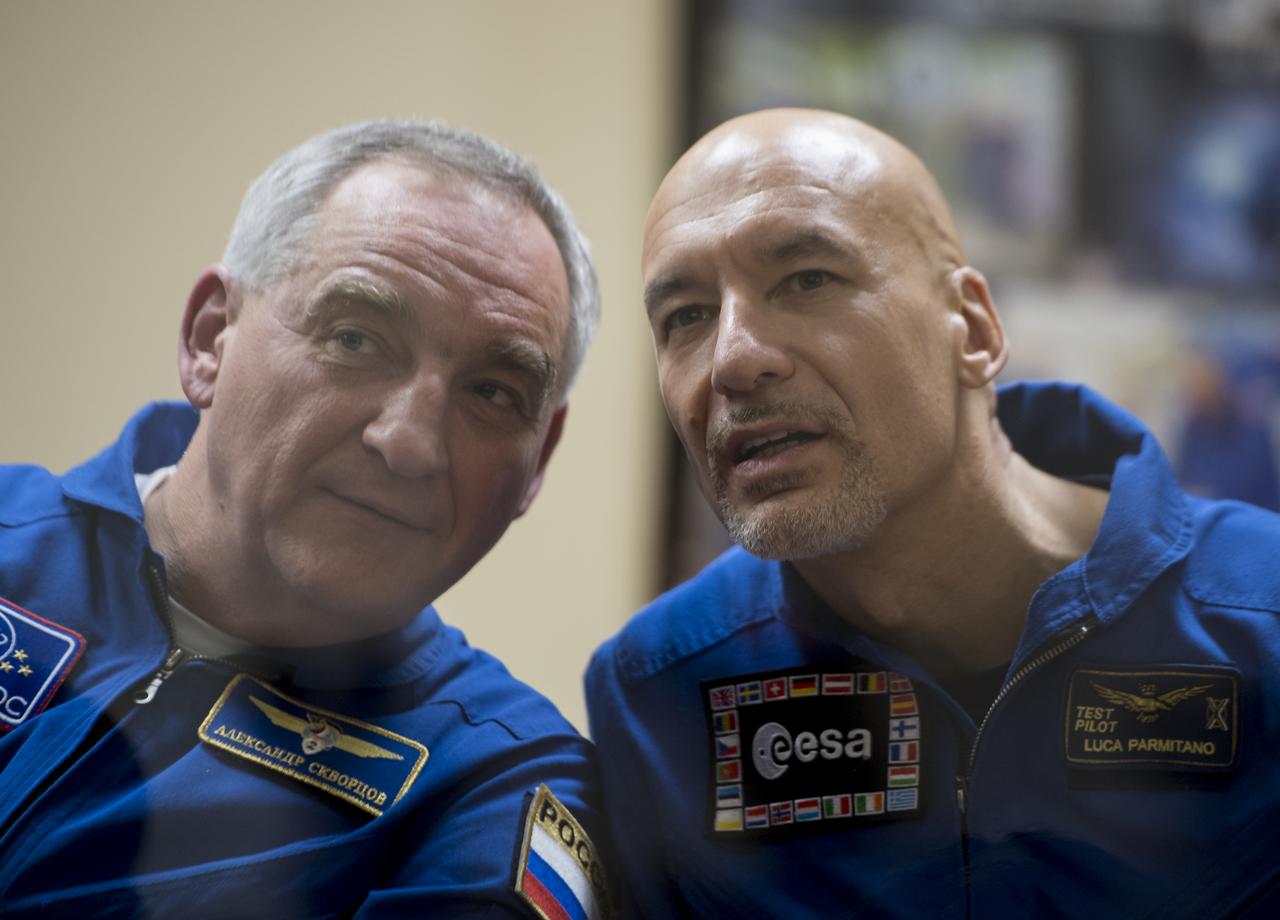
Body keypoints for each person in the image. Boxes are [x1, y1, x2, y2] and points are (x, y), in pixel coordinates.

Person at [585, 108, 1280, 917]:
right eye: (686, 318)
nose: (733, 358)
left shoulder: (1261, 616)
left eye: (808, 279)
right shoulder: (657, 693)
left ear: (976, 329)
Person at [0, 120, 611, 919]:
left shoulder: (496, 780)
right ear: (211, 337)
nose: (411, 444)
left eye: (493, 393)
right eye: (356, 338)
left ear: (540, 457)